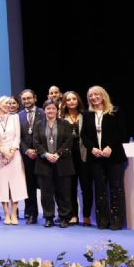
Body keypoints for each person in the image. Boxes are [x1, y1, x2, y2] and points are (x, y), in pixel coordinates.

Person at [81, 86, 127, 230]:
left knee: (116, 188)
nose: (93, 97)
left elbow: (121, 132)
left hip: (114, 157)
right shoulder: (87, 114)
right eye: (90, 95)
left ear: (103, 95)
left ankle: (116, 221)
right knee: (100, 190)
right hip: (95, 158)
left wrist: (110, 147)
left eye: (96, 94)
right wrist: (92, 148)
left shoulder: (115, 111)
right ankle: (102, 220)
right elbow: (84, 135)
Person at [33, 99, 75, 228]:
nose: (51, 111)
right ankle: (48, 217)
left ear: (57, 110)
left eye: (53, 108)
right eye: (48, 108)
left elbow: (68, 142)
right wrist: (46, 155)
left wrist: (58, 154)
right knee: (46, 193)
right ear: (44, 110)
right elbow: (36, 142)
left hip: (62, 162)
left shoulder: (65, 124)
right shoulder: (38, 124)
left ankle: (64, 217)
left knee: (63, 192)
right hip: (44, 163)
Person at [0, 96, 28, 225]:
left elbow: (17, 136)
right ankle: (6, 214)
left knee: (15, 185)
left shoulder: (15, 118)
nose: (9, 105)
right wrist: (2, 152)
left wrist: (11, 152)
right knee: (1, 185)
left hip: (14, 155)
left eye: (11, 103)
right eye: (6, 103)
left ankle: (14, 213)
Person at [60, 91, 90, 226]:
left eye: (74, 99)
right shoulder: (61, 118)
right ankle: (73, 215)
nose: (71, 101)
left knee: (86, 187)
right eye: (68, 100)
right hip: (67, 158)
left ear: (78, 100)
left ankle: (87, 216)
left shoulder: (86, 115)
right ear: (64, 102)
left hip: (84, 156)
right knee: (70, 188)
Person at [18, 88, 44, 224]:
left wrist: (38, 151)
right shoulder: (18, 116)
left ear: (35, 98)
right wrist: (27, 150)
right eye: (24, 99)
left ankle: (48, 214)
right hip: (26, 156)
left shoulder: (44, 113)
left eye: (29, 98)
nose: (26, 101)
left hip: (42, 156)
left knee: (46, 186)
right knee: (29, 186)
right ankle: (31, 213)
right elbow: (18, 137)